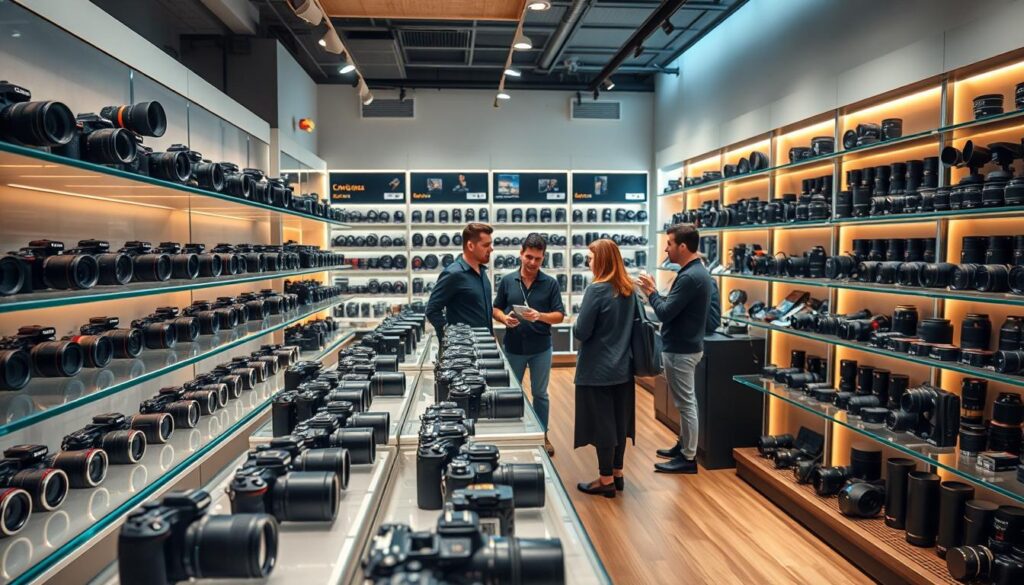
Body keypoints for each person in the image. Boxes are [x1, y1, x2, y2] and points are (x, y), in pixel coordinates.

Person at [637, 223, 713, 474]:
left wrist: (651, 292)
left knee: (686, 403)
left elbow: (665, 312)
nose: (666, 249)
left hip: (682, 350)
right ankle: (684, 446)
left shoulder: (690, 277)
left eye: (669, 243)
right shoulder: (694, 272)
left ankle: (688, 457)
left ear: (682, 246)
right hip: (684, 347)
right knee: (684, 402)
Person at [573, 239, 636, 498]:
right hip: (623, 367)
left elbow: (581, 331)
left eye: (590, 258)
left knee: (603, 425)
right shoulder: (628, 289)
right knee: (620, 422)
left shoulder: (596, 290)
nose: (588, 262)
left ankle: (605, 479)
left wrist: (576, 319)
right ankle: (618, 473)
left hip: (598, 369)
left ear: (601, 260)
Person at [492, 233, 566, 455]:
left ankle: (542, 435)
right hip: (513, 346)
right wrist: (504, 318)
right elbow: (495, 308)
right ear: (521, 254)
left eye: (538, 258)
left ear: (543, 258)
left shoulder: (550, 283)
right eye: (529, 257)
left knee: (540, 394)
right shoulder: (507, 281)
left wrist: (540, 316)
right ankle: (514, 433)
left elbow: (559, 316)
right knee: (512, 393)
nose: (533, 262)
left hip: (541, 348)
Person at [425, 223, 494, 337]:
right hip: (464, 347)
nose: (491, 249)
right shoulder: (453, 274)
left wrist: (491, 335)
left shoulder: (482, 271)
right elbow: (432, 310)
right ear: (470, 246)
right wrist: (450, 336)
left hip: (485, 343)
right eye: (486, 245)